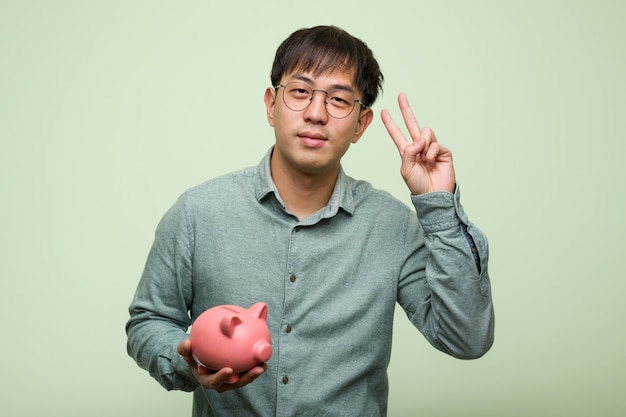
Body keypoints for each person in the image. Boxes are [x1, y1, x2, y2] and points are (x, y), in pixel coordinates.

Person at [126, 25, 495, 416]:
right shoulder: (198, 212)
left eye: (339, 99)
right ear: (271, 104)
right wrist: (188, 362)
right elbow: (148, 322)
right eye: (300, 92)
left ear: (361, 124)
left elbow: (467, 338)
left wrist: (436, 202)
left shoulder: (394, 226)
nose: (316, 114)